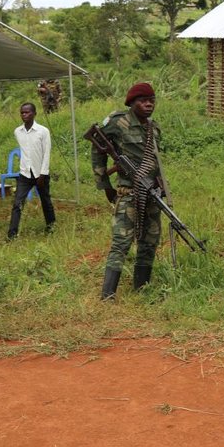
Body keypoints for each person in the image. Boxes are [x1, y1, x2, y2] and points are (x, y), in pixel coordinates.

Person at [93, 82, 164, 298]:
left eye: (151, 100)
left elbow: (155, 162)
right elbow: (97, 148)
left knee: (149, 240)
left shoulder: (155, 128)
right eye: (143, 101)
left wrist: (160, 184)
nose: (148, 104)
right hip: (128, 193)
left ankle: (141, 288)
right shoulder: (117, 122)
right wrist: (104, 183)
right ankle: (107, 294)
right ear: (132, 103)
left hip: (151, 194)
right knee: (121, 241)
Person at [7, 102, 55, 239]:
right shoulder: (18, 131)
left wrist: (42, 175)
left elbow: (46, 154)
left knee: (46, 201)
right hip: (25, 174)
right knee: (17, 203)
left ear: (34, 113)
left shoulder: (43, 131)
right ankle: (12, 234)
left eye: (27, 112)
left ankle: (51, 227)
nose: (24, 115)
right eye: (22, 112)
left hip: (41, 174)